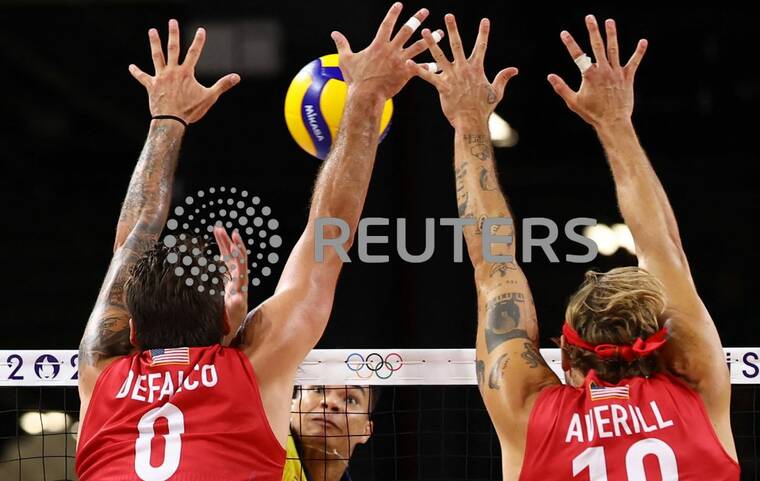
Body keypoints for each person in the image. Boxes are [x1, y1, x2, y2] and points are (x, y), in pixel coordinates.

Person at [77, 4, 433, 479]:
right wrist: (366, 94)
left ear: (133, 332)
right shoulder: (252, 370)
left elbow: (132, 238)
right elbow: (328, 229)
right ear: (229, 320)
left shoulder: (101, 372)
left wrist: (166, 119)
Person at [411, 13, 739, 481]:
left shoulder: (530, 415)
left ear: (564, 354)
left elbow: (494, 264)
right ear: (659, 342)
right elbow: (663, 249)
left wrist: (468, 121)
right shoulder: (697, 387)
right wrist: (615, 123)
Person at [283, 385, 380, 481]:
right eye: (318, 389)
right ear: (291, 404)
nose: (330, 402)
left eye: (350, 400)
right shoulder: (269, 457)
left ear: (366, 431)